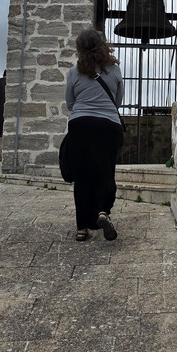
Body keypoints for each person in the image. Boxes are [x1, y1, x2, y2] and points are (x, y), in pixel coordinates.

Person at [64, 29, 124, 242]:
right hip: (108, 126)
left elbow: (70, 103)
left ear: (79, 48)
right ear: (103, 46)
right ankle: (102, 212)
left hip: (80, 126)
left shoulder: (74, 72)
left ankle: (81, 228)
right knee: (105, 172)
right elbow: (117, 102)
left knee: (82, 177)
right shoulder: (114, 70)